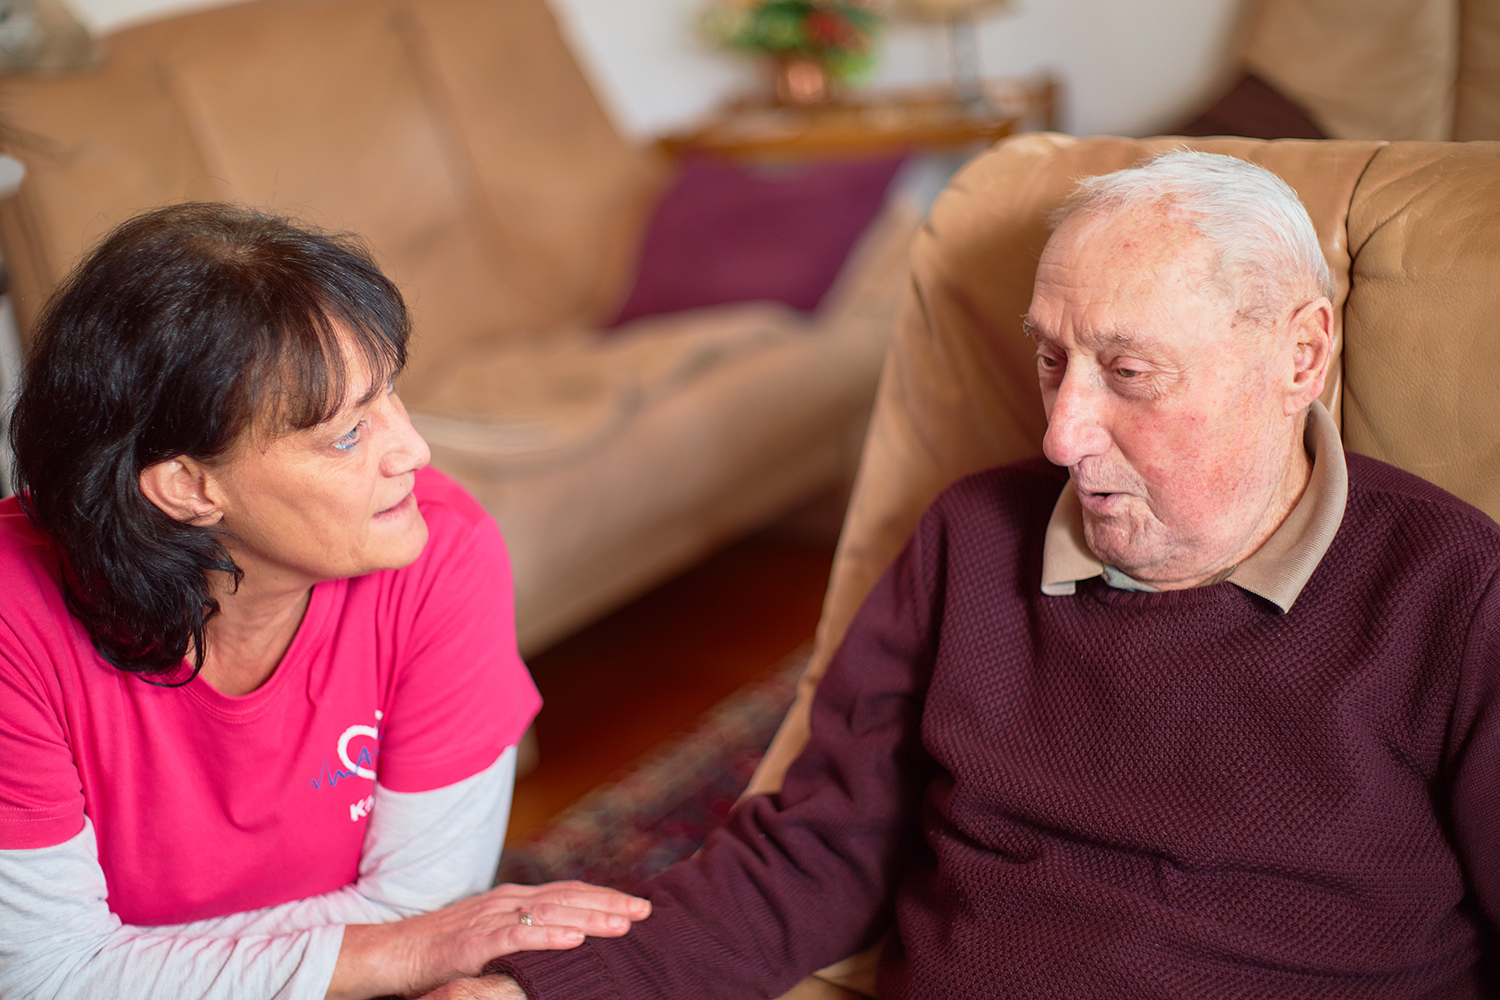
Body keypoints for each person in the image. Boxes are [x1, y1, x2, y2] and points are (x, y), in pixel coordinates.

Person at [460, 152, 1499, 998]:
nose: (1061, 434)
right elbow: (815, 857)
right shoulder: (973, 539)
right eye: (1050, 360)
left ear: (1301, 356)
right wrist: (537, 992)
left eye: (1129, 372)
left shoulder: (1457, 593)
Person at [0, 203, 650, 1000]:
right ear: (188, 487)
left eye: (390, 394)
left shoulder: (440, 551)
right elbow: (41, 974)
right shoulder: (13, 613)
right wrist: (391, 949)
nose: (414, 451)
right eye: (346, 436)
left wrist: (129, 962)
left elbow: (422, 906)